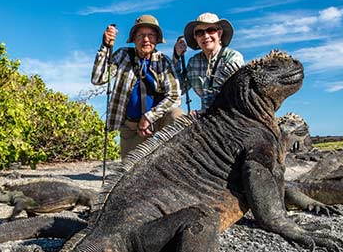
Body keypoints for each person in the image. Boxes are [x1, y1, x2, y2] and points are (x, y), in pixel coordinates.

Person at [92, 14, 183, 159]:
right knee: (128, 175)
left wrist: (148, 118)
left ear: (157, 39)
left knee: (177, 116)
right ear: (134, 38)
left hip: (157, 123)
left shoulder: (164, 61)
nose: (146, 39)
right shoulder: (123, 54)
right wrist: (105, 47)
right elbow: (98, 78)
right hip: (131, 127)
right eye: (140, 35)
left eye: (150, 35)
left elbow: (174, 96)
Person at [173, 12, 244, 116]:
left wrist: (205, 112)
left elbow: (233, 94)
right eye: (199, 33)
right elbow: (180, 89)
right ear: (195, 37)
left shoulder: (233, 58)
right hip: (207, 120)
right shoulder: (193, 62)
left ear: (219, 34)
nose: (206, 36)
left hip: (232, 115)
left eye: (211, 30)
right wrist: (176, 57)